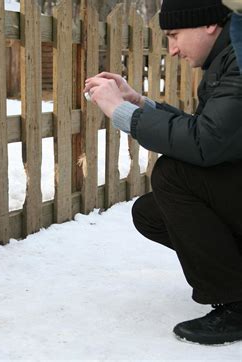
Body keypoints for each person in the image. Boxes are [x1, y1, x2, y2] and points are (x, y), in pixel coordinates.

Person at [84, 0, 242, 345]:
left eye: (174, 35)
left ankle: (236, 302)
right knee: (152, 214)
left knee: (173, 174)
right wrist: (141, 104)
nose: (172, 50)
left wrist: (121, 111)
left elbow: (207, 144)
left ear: (208, 25)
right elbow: (218, 132)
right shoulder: (230, 57)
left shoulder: (239, 59)